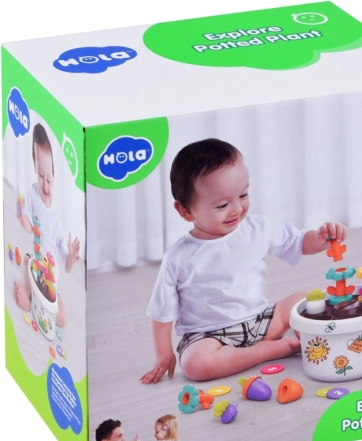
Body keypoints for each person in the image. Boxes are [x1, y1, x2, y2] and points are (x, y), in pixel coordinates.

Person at [140, 138, 347, 383]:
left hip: (262, 322)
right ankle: (267, 351)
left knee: (306, 300)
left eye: (243, 195)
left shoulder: (257, 228)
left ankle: (314, 339)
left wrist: (321, 238)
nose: (237, 209)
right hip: (209, 337)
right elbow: (161, 311)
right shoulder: (178, 257)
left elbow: (297, 241)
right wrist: (164, 353)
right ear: (185, 210)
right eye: (222, 205)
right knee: (195, 365)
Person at [14, 123, 80, 327]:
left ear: (54, 174)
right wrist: (23, 219)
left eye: (48, 179)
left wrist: (71, 258)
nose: (44, 184)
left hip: (50, 280)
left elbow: (67, 267)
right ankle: (29, 297)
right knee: (27, 260)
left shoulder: (57, 220)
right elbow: (30, 229)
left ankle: (41, 303)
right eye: (40, 176)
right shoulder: (33, 193)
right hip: (35, 265)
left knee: (63, 319)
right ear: (35, 166)